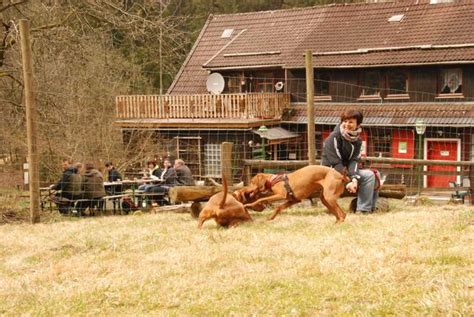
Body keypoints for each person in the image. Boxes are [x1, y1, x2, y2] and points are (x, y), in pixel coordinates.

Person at [321, 110, 378, 214]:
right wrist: (350, 180)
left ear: (358, 124)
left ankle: (366, 209)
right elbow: (335, 163)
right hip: (331, 171)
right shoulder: (334, 137)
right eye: (345, 121)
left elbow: (354, 160)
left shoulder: (358, 141)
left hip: (345, 171)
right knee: (369, 175)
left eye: (351, 122)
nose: (347, 124)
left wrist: (355, 178)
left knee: (374, 174)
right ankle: (364, 208)